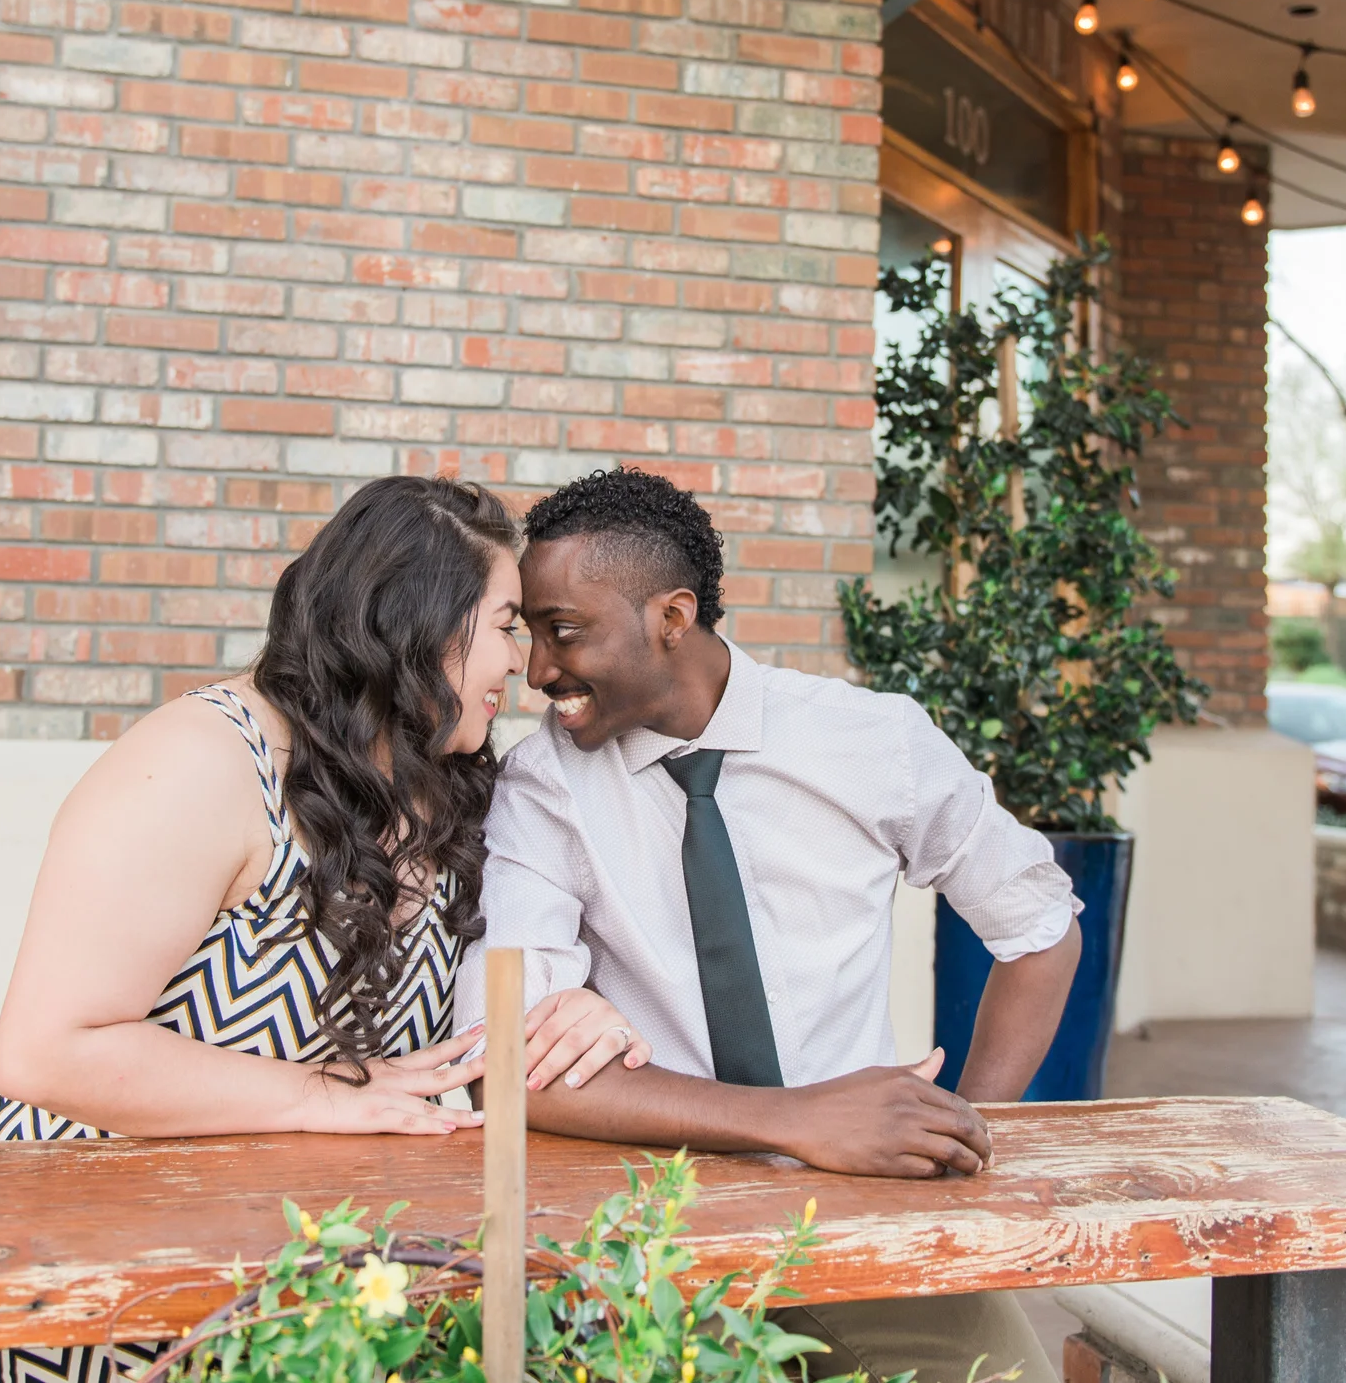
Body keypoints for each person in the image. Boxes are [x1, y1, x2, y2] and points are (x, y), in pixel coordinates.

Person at [0, 475, 648, 1383]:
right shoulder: (203, 763)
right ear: (421, 622)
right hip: (89, 1272)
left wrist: (582, 1010)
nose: (520, 660)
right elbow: (47, 1053)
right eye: (506, 622)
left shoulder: (450, 787)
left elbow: (484, 1019)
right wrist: (325, 1096)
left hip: (296, 1284)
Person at [462, 468, 1084, 1383]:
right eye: (528, 633)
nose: (537, 670)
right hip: (647, 1217)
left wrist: (961, 1136)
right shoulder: (544, 783)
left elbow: (1039, 926)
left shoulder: (872, 741)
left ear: (671, 618)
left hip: (867, 1204)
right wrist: (797, 1121)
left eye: (563, 632)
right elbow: (506, 1063)